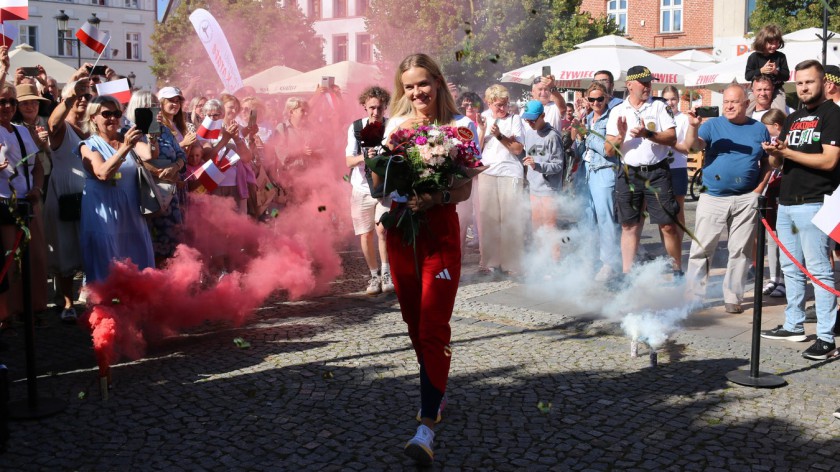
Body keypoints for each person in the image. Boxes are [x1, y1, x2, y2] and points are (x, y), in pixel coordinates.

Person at [381, 53, 476, 466]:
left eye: (423, 83)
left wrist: (434, 196)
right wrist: (378, 171)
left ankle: (425, 427)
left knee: (434, 325)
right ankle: (435, 388)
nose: (417, 92)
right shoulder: (394, 128)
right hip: (402, 233)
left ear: (437, 82)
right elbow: (379, 186)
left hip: (439, 234)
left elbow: (464, 191)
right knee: (415, 325)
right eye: (409, 86)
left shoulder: (460, 128)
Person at [760, 60, 840, 361]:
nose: (804, 87)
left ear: (823, 83)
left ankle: (825, 337)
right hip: (787, 204)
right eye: (800, 83)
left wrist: (787, 152)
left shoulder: (833, 115)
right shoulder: (793, 119)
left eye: (810, 82)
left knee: (819, 271)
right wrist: (774, 155)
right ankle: (794, 324)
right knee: (790, 268)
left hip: (816, 202)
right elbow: (781, 164)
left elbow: (829, 160)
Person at [683, 84, 771, 314]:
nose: (729, 106)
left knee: (740, 251)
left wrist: (758, 191)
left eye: (734, 102)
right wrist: (693, 128)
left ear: (746, 104)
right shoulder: (712, 125)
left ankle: (733, 297)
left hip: (745, 198)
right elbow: (693, 147)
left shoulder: (759, 129)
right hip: (713, 197)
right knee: (701, 248)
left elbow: (768, 162)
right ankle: (694, 295)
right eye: (726, 102)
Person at [605, 65, 680, 277]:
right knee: (629, 225)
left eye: (649, 82)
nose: (648, 86)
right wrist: (620, 136)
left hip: (657, 172)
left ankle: (677, 270)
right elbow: (609, 150)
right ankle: (627, 275)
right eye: (643, 82)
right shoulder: (617, 111)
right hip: (629, 173)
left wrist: (648, 134)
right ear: (629, 85)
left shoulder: (659, 106)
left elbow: (672, 138)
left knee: (667, 225)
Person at [78, 96, 154, 282]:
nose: (112, 118)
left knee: (137, 259)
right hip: (104, 213)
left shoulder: (127, 137)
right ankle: (105, 308)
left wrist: (152, 132)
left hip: (131, 212)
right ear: (93, 118)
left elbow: (149, 154)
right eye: (106, 114)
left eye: (116, 113)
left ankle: (136, 305)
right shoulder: (87, 145)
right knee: (106, 262)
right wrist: (125, 148)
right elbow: (103, 173)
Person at [44, 78, 91, 322]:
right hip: (63, 196)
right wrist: (71, 95)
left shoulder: (92, 129)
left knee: (90, 248)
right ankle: (66, 303)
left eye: (87, 96)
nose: (83, 100)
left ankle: (92, 297)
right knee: (64, 249)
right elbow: (52, 121)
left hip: (90, 198)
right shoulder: (61, 128)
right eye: (78, 97)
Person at [0, 82, 48, 321]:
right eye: (2, 101)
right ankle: (8, 314)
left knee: (37, 257)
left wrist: (37, 188)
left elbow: (37, 166)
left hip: (29, 204)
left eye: (11, 101)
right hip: (4, 206)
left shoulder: (22, 130)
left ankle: (35, 308)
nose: (7, 106)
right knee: (11, 261)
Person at [126, 91, 185, 265]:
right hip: (145, 190)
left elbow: (181, 154)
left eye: (155, 105)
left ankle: (168, 278)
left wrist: (175, 167)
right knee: (148, 238)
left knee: (171, 236)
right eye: (149, 106)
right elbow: (139, 158)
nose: (155, 109)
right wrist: (159, 173)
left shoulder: (165, 129)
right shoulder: (129, 130)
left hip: (169, 189)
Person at [345, 86, 393, 295]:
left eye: (380, 108)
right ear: (364, 106)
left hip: (385, 188)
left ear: (385, 107)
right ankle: (373, 275)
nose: (376, 112)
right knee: (365, 234)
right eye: (372, 108)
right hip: (361, 188)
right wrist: (367, 157)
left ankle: (386, 273)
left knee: (383, 230)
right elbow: (348, 160)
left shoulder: (391, 126)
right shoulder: (356, 128)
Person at [478, 84, 526, 276]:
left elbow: (517, 149)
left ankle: (512, 263)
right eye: (498, 105)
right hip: (487, 172)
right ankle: (489, 261)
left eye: (505, 104)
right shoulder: (482, 117)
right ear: (489, 103)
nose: (503, 108)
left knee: (511, 219)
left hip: (510, 173)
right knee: (488, 219)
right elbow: (475, 150)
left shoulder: (515, 119)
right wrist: (482, 131)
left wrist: (499, 135)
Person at [576, 82, 621, 281]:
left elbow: (607, 149)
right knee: (588, 218)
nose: (596, 103)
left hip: (604, 170)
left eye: (600, 99)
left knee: (605, 219)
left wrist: (587, 136)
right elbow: (579, 150)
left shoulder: (611, 119)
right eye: (592, 99)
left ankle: (609, 263)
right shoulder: (586, 118)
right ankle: (589, 260)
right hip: (587, 171)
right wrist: (579, 134)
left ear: (607, 98)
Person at [521, 100, 565, 261]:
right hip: (534, 187)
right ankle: (541, 260)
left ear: (543, 116)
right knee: (536, 227)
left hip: (549, 189)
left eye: (533, 119)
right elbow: (529, 157)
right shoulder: (529, 133)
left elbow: (558, 165)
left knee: (549, 227)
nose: (530, 123)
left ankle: (554, 262)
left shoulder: (553, 136)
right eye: (527, 119)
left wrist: (538, 166)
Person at [759, 109, 787, 299]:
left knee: (784, 240)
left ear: (776, 127)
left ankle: (784, 281)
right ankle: (774, 278)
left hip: (783, 193)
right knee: (772, 238)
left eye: (767, 129)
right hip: (771, 193)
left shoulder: (785, 143)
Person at [661, 85, 690, 242]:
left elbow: (687, 148)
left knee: (678, 210)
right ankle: (666, 248)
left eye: (673, 99)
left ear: (678, 100)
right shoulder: (659, 117)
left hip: (678, 167)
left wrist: (669, 141)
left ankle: (677, 245)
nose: (670, 102)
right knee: (663, 213)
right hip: (660, 168)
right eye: (666, 99)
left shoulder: (683, 119)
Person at [745, 24, 790, 111]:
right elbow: (747, 76)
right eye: (770, 43)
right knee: (745, 110)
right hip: (757, 91)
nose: (773, 46)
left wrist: (775, 72)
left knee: (778, 112)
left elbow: (786, 76)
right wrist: (761, 70)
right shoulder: (754, 57)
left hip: (777, 90)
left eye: (776, 43)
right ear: (762, 41)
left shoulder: (781, 57)